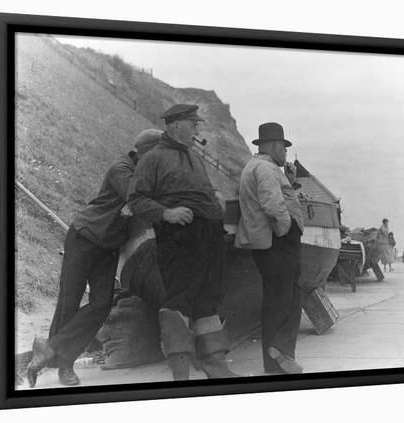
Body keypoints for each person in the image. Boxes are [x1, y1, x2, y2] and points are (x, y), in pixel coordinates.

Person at [26, 129, 162, 388]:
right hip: (85, 238)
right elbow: (138, 198)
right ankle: (64, 366)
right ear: (147, 152)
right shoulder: (120, 169)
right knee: (70, 300)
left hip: (108, 246)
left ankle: (49, 348)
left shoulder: (142, 171)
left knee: (101, 304)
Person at [127, 104, 237, 380]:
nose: (197, 128)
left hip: (209, 235)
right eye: (193, 123)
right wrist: (167, 213)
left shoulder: (194, 156)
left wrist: (215, 197)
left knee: (209, 297)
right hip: (179, 237)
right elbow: (136, 199)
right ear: (175, 125)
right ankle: (180, 372)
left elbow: (202, 188)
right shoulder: (153, 158)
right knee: (180, 299)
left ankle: (215, 363)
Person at [235, 122, 305, 375]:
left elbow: (278, 197)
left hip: (270, 241)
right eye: (284, 148)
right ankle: (278, 353)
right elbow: (273, 204)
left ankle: (277, 359)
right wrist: (285, 229)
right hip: (277, 241)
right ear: (274, 146)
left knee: (283, 297)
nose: (286, 153)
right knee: (284, 298)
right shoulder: (265, 168)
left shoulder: (258, 167)